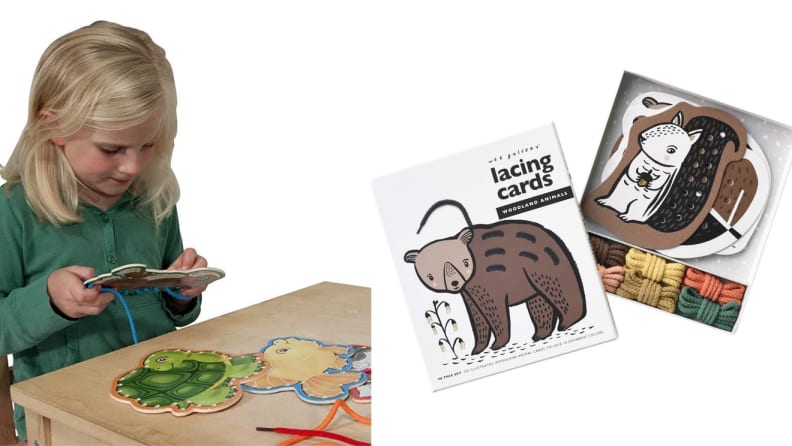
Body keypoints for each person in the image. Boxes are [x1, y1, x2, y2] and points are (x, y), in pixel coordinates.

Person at [0, 21, 207, 440]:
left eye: (147, 145)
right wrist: (48, 301)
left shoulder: (154, 201)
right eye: (112, 149)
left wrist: (181, 294)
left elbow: (170, 314)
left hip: (159, 408)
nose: (132, 166)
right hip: (61, 420)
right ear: (54, 127)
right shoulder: (14, 212)